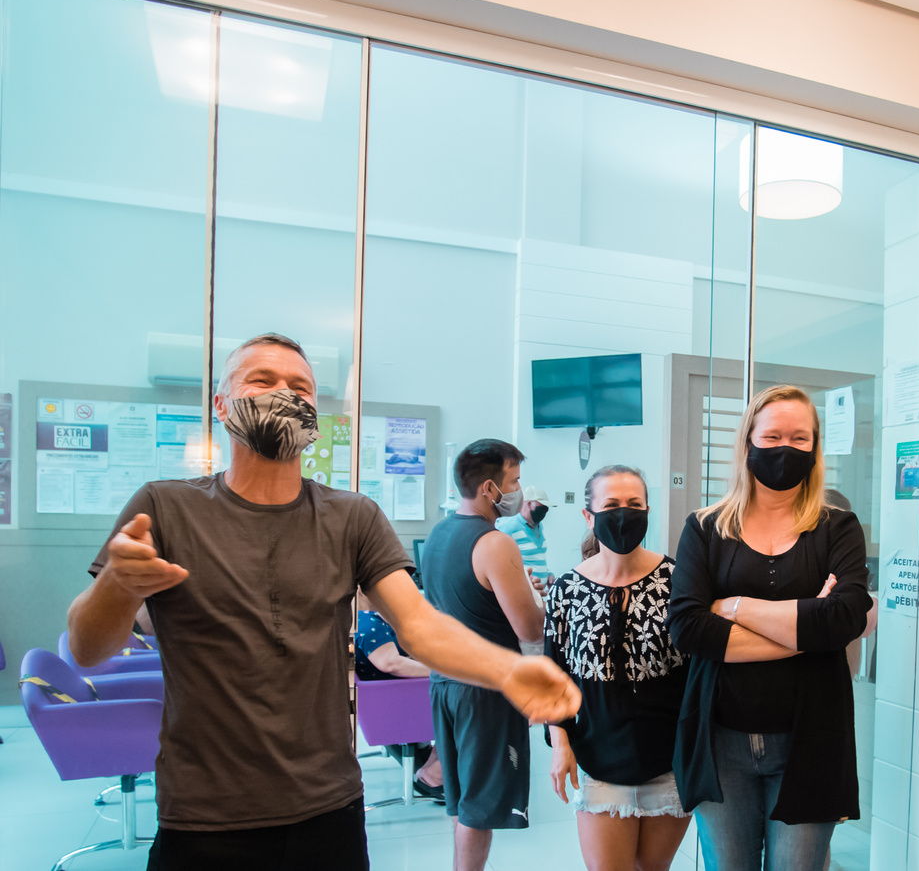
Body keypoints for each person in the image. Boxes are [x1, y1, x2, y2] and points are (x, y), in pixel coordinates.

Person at [66, 334, 579, 871]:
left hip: (328, 808)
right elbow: (87, 648)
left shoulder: (352, 516)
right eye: (262, 380)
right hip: (204, 816)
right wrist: (118, 583)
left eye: (301, 386)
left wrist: (508, 670)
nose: (285, 393)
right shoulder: (165, 507)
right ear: (221, 404)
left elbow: (420, 625)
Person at [668, 385, 872, 871]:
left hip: (812, 740)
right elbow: (688, 628)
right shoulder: (706, 528)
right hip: (720, 742)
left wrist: (733, 606)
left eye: (800, 438)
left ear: (815, 447)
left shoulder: (838, 527)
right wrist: (805, 631)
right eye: (773, 436)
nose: (786, 448)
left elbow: (845, 618)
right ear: (748, 442)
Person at [544, 465, 691, 871]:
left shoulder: (679, 581)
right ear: (589, 516)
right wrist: (560, 743)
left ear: (647, 512)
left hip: (670, 760)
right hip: (598, 758)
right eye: (611, 505)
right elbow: (553, 676)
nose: (624, 514)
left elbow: (699, 670)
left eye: (633, 504)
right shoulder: (567, 590)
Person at [419, 439, 550, 871]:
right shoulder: (495, 543)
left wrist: (515, 585)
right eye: (514, 481)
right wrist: (534, 596)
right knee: (480, 808)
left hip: (446, 685)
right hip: (485, 693)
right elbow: (530, 628)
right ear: (490, 488)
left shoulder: (439, 534)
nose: (518, 491)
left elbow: (467, 597)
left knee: (462, 801)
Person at [353, 592, 444, 800]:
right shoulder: (368, 623)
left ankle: (432, 764)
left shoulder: (361, 620)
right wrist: (444, 671)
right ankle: (433, 774)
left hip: (388, 705)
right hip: (399, 708)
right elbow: (391, 663)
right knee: (474, 698)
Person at [495, 484, 555, 580]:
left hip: (540, 588)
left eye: (546, 507)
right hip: (522, 585)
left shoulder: (539, 525)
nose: (544, 510)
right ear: (529, 504)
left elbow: (536, 557)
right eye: (541, 507)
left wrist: (548, 573)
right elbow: (498, 562)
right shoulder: (509, 526)